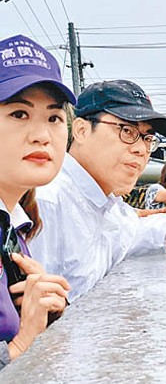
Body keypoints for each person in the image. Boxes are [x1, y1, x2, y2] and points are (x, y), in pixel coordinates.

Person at [29, 80, 166, 302]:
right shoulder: (46, 203)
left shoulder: (105, 205)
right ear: (82, 130)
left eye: (148, 138)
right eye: (127, 131)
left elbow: (141, 234)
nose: (141, 149)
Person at [0, 34, 74, 368]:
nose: (41, 134)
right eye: (18, 114)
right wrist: (20, 344)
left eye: (54, 118)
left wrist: (47, 309)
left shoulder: (15, 228)